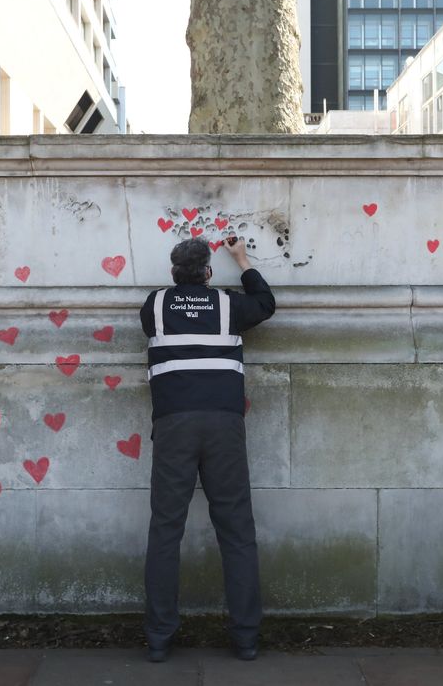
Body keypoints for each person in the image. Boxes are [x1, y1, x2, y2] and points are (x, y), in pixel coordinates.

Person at [140, 236, 276, 663]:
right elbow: (266, 303)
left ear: (173, 273)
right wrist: (243, 259)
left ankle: (160, 638)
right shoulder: (228, 305)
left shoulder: (155, 306)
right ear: (208, 273)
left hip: (174, 423)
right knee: (236, 531)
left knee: (165, 529)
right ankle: (246, 638)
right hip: (223, 424)